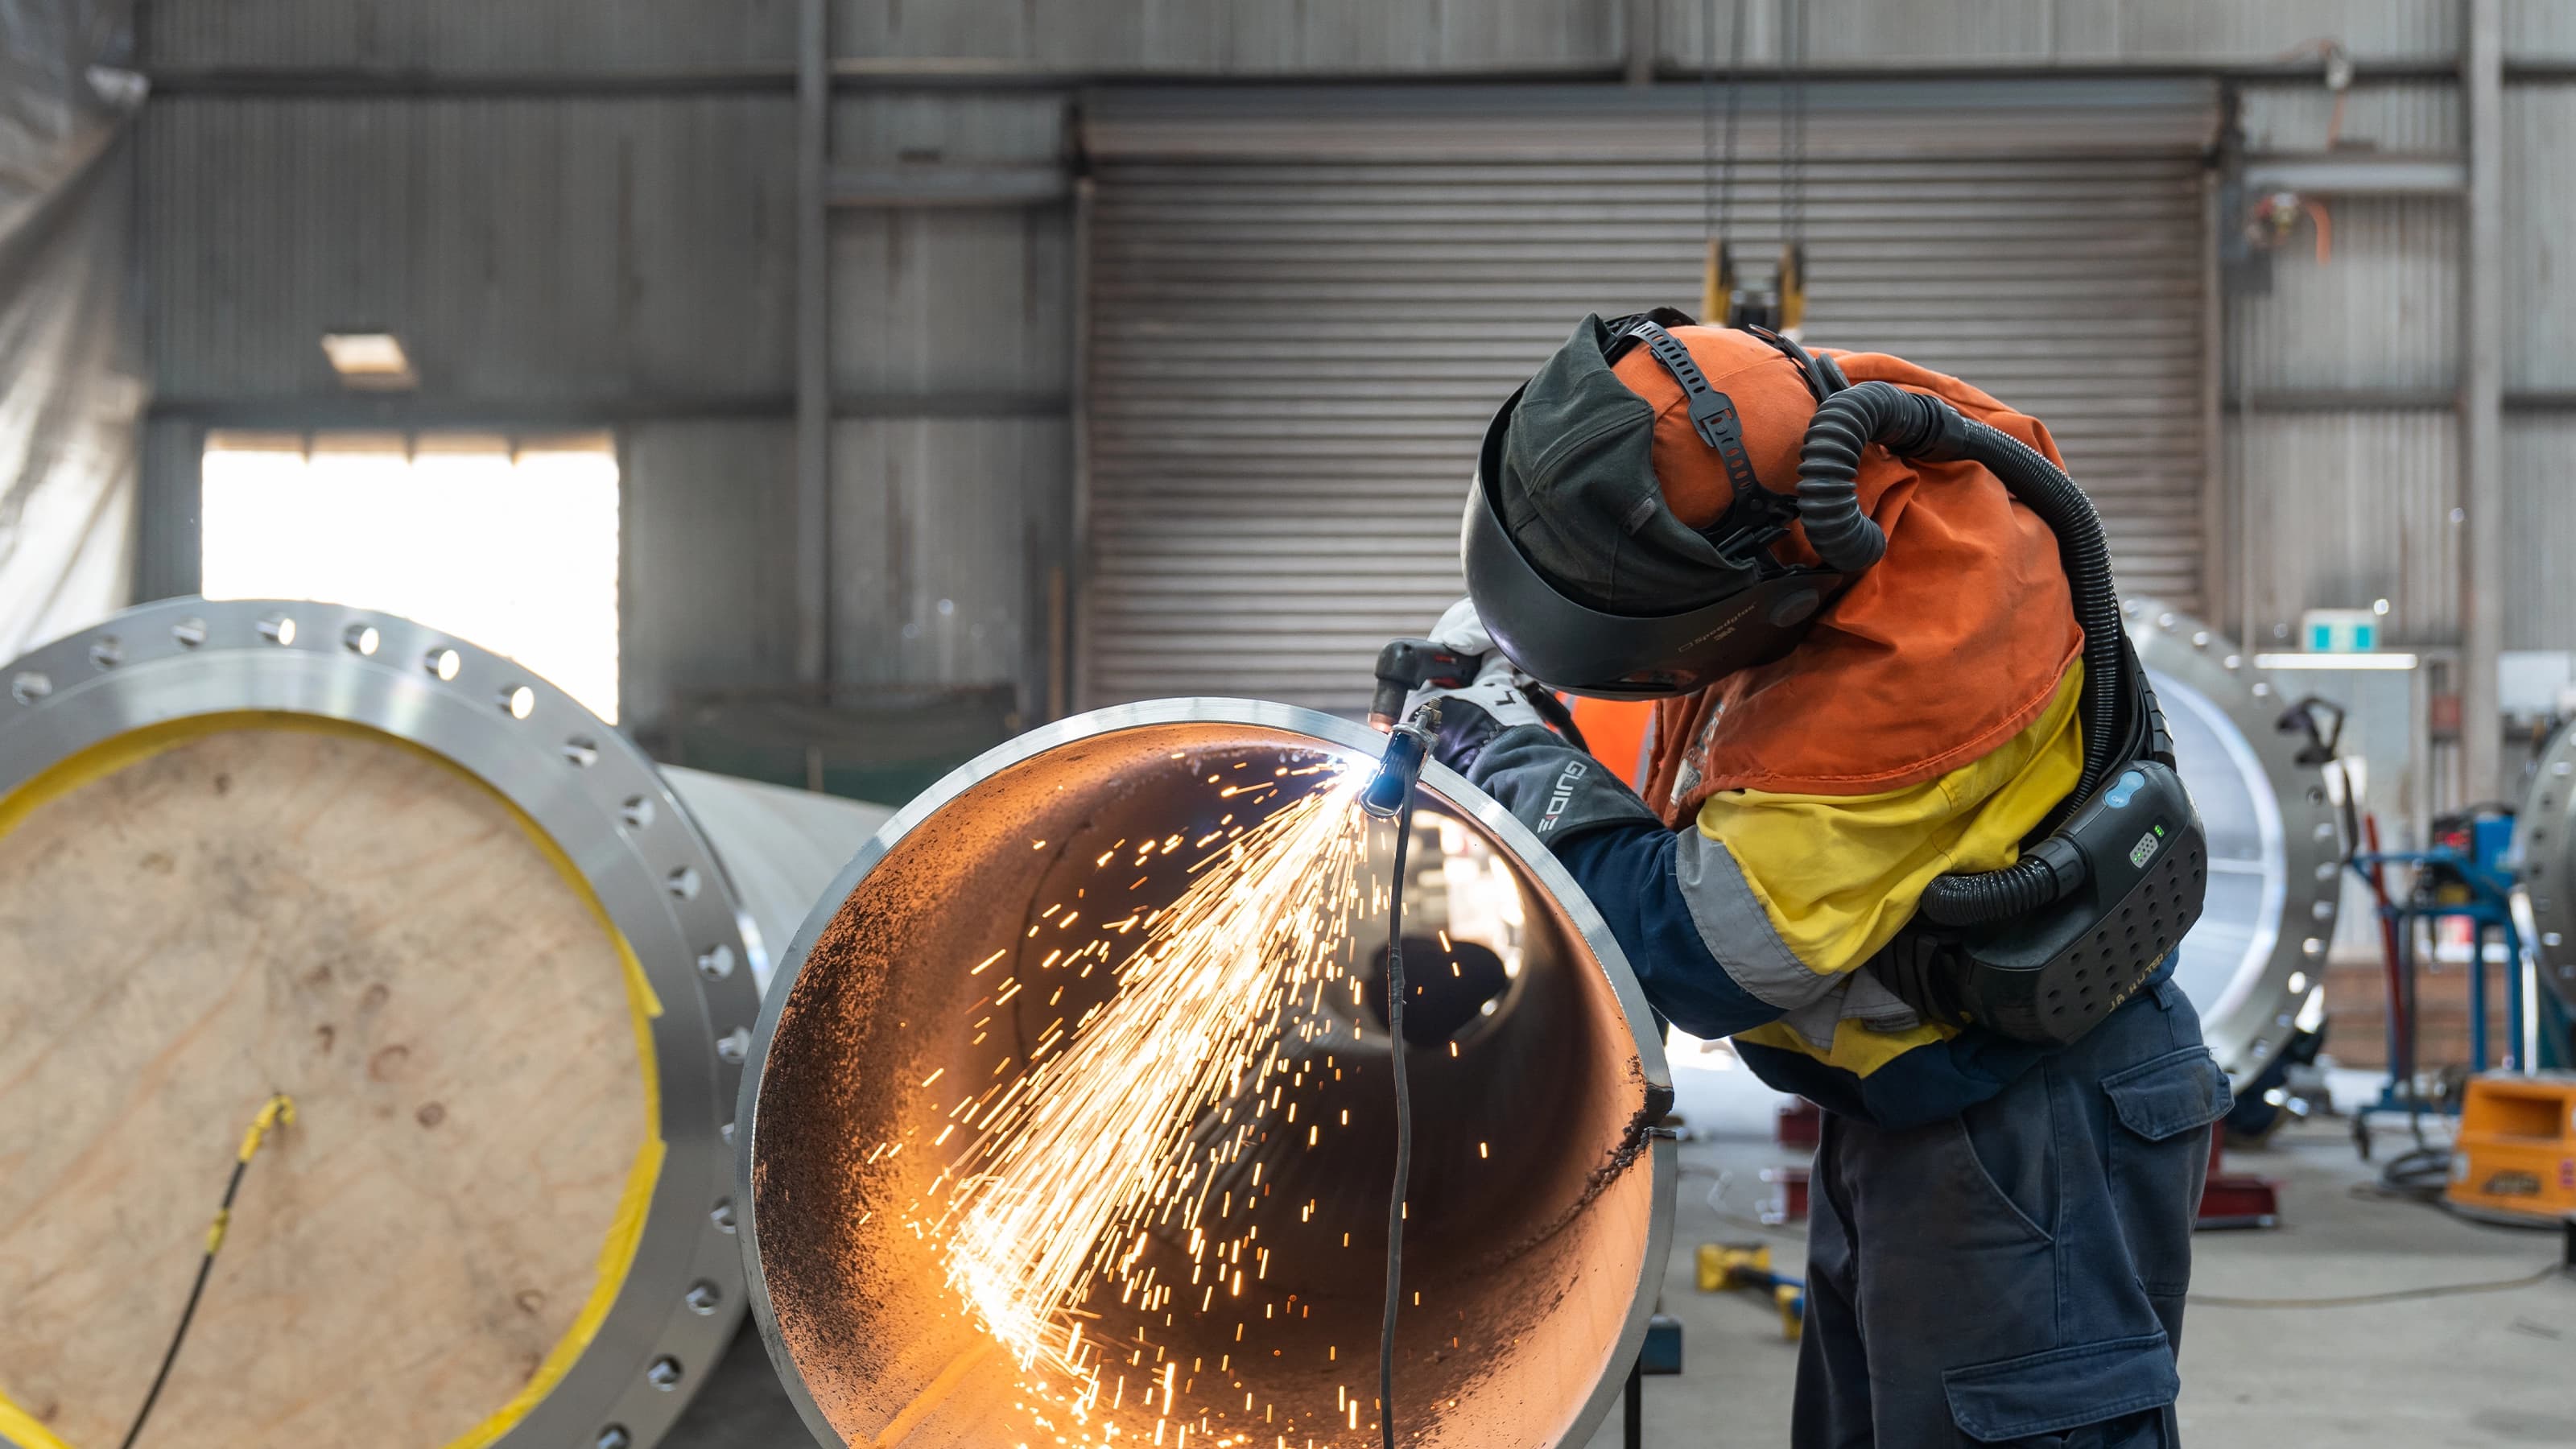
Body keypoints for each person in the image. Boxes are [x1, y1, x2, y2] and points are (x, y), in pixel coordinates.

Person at [1406, 311, 2231, 1447]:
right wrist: (1527, 686)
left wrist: (1501, 746)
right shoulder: (1804, 487)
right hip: (1922, 1108)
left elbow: (1703, 953)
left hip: (2034, 1132)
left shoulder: (1922, 652)